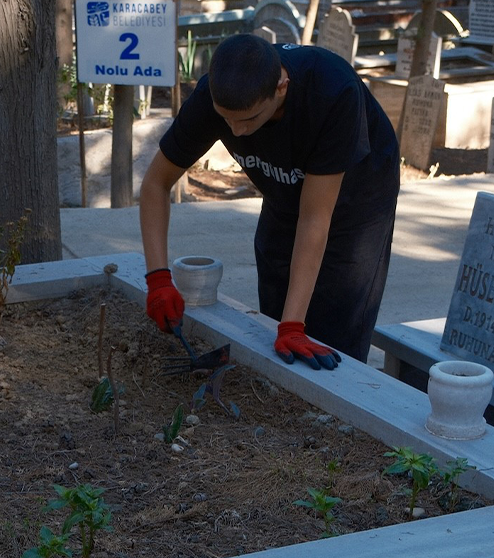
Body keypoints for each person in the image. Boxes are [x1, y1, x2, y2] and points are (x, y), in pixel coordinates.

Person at [138, 34, 400, 369]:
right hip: (285, 187)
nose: (236, 131)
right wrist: (158, 279)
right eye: (225, 119)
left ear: (281, 87)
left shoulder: (333, 92)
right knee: (274, 295)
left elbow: (314, 219)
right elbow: (155, 184)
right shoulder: (213, 96)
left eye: (248, 120)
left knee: (336, 322)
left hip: (358, 196)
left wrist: (293, 326)